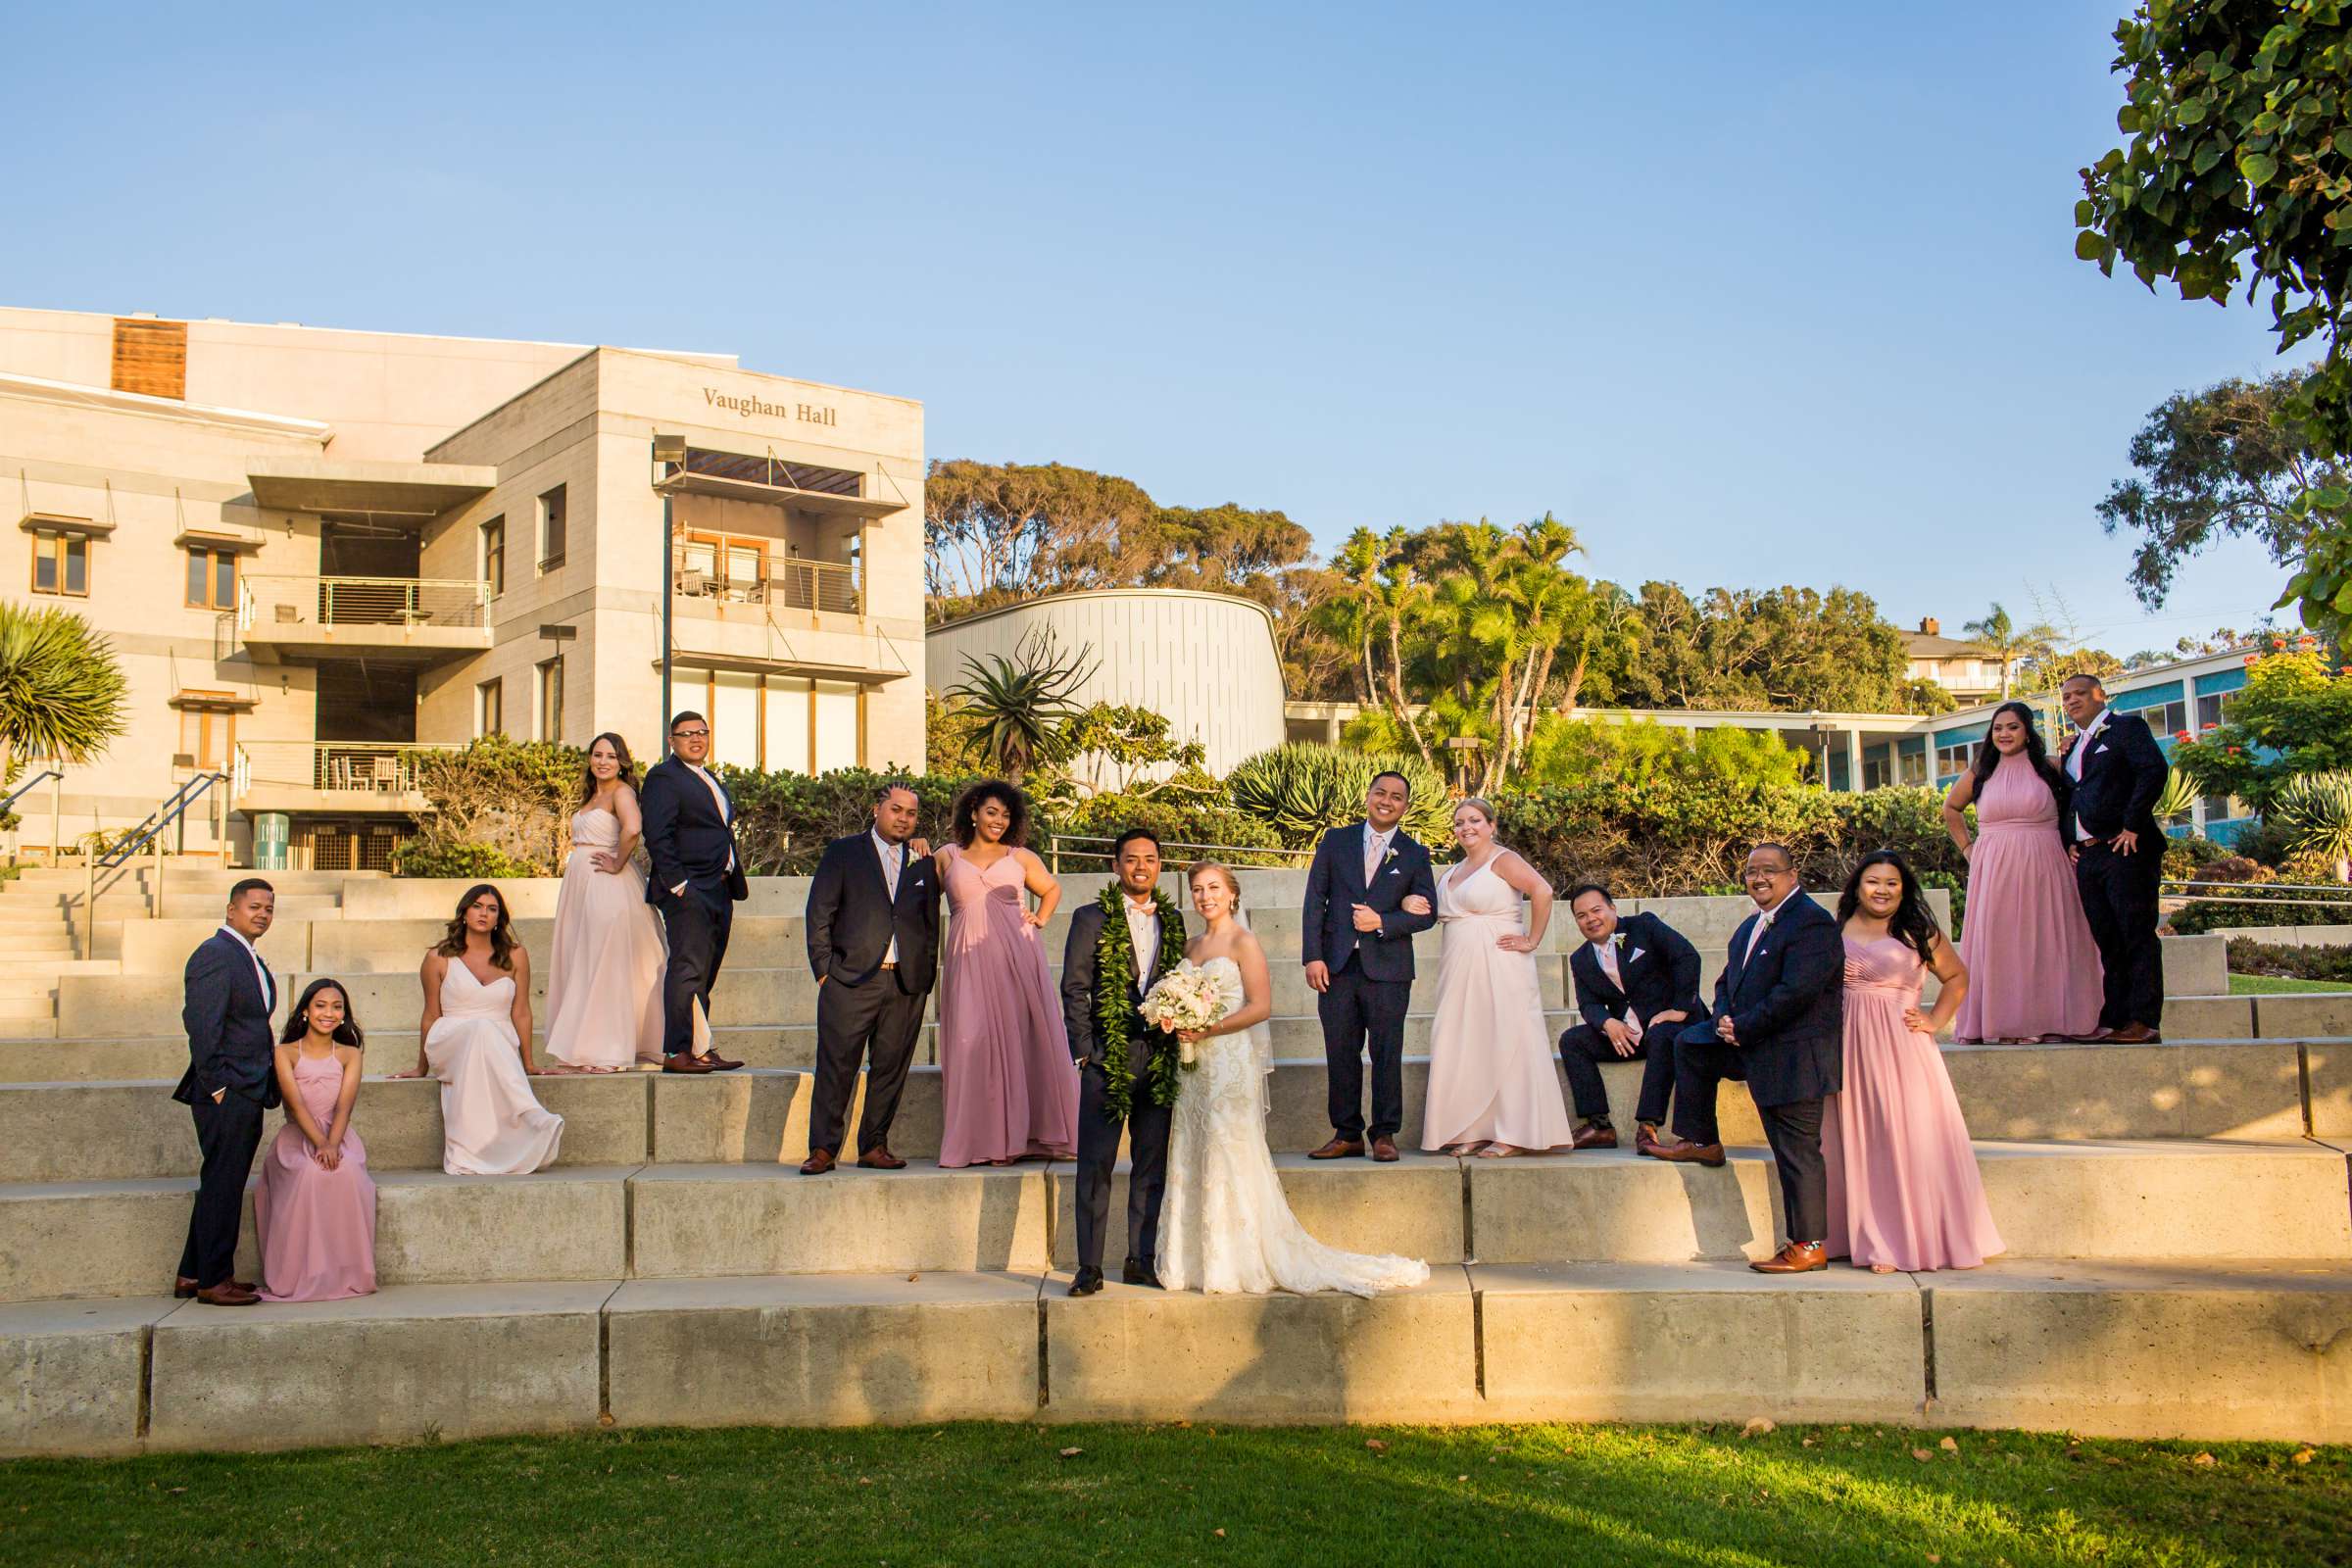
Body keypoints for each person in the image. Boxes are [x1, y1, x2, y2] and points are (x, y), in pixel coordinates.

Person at [1158, 862, 1431, 1296]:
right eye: (1196, 889)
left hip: (1228, 1062)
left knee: (1230, 1149)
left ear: (1232, 894)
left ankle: (1234, 1259)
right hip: (1194, 1067)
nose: (1205, 896)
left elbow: (1260, 1006)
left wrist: (1208, 1028)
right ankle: (1194, 1257)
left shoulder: (1244, 942)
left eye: (1213, 887)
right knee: (1193, 1147)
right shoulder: (1190, 947)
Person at [1651, 843, 1844, 1275]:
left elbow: (1797, 992)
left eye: (1770, 871)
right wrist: (1722, 1017)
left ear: (1793, 875)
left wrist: (1745, 1026)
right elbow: (1726, 983)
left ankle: (1808, 1246)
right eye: (1752, 871)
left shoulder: (1811, 924)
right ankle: (1701, 1140)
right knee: (1690, 1042)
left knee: (1796, 1152)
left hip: (1794, 1055)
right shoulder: (1750, 926)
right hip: (1751, 1042)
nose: (1759, 878)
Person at [1826, 852, 2005, 1273]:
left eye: (1892, 883)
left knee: (1902, 1139)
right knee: (1859, 1141)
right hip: (1848, 1046)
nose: (1882, 890)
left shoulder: (1916, 931)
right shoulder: (1836, 930)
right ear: (1857, 886)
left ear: (1903, 890)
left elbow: (1958, 978)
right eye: (1873, 881)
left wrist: (1935, 1020)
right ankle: (1863, 1235)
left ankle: (1901, 1240)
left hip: (1902, 1048)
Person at [544, 732, 724, 1072]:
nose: (602, 761)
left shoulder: (622, 792)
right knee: (589, 959)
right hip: (582, 884)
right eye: (597, 755)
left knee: (606, 961)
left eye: (610, 756)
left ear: (621, 761)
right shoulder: (592, 795)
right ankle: (591, 1044)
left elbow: (633, 828)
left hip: (607, 885)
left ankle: (607, 1047)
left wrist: (616, 861)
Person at [1062, 829, 1185, 1295]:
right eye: (1131, 859)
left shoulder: (1172, 921)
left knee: (1150, 1165)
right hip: (1104, 1057)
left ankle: (1140, 1259)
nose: (1140, 866)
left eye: (1150, 859)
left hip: (1157, 1059)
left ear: (1159, 865)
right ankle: (1089, 1267)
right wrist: (1084, 1049)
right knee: (1095, 1164)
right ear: (1116, 866)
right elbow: (1074, 987)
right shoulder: (1089, 917)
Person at [1418, 798, 1574, 1157]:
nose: (1466, 827)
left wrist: (1532, 940)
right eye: (1459, 822)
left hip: (1501, 963)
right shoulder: (1453, 870)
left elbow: (1543, 891)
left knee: (1507, 1038)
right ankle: (1472, 1128)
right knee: (1466, 1043)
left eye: (1474, 820)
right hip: (1458, 968)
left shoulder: (1503, 860)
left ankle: (1514, 1133)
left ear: (1491, 825)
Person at [1940, 701, 2104, 1044]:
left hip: (2046, 862)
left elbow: (2084, 801)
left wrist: (2076, 841)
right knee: (2002, 941)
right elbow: (1951, 808)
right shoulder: (1980, 772)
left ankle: (2048, 1019)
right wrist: (1968, 849)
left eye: (2012, 727)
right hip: (1994, 866)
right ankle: (2004, 1022)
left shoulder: (2050, 768)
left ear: (2027, 731)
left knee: (2045, 939)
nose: (2004, 734)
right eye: (1998, 728)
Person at [935, 780, 1077, 1168]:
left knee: (1022, 1038)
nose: (999, 821)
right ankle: (982, 1141)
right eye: (992, 812)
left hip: (1017, 957)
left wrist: (1040, 919)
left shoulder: (1020, 857)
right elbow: (917, 895)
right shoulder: (947, 855)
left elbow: (1051, 889)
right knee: (971, 1041)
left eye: (1006, 814)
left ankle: (1022, 1139)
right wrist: (916, 849)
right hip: (968, 959)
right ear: (974, 812)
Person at [802, 780, 942, 1174]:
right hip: (849, 980)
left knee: (890, 1069)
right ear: (877, 809)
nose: (903, 818)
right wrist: (824, 972)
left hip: (905, 983)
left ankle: (873, 1146)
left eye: (911, 813)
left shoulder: (923, 862)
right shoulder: (844, 853)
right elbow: (819, 914)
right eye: (896, 809)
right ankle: (823, 1149)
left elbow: (930, 924)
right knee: (836, 1067)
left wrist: (924, 977)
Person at [1301, 770, 1439, 1162]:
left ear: (1405, 807)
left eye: (1397, 797)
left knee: (1387, 1051)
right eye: (1381, 792)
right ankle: (1346, 1133)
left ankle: (1384, 1134)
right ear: (1367, 795)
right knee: (1340, 1050)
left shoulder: (1414, 853)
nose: (1387, 800)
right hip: (1338, 965)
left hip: (1389, 969)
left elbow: (1428, 914)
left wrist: (1384, 921)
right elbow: (1316, 900)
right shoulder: (1336, 841)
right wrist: (1313, 956)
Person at [393, 884, 564, 1175]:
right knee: (480, 1029)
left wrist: (529, 1062)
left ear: (499, 918)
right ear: (464, 912)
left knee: (486, 1030)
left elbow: (521, 1012)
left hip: (497, 1038)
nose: (484, 913)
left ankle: (493, 1144)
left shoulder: (516, 956)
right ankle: (530, 1113)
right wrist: (421, 1067)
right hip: (450, 1038)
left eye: (492, 908)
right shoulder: (438, 957)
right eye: (477, 906)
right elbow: (431, 1014)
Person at [171, 878, 280, 1306]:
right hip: (227, 1087)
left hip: (247, 1085)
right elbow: (201, 1023)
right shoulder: (215, 955)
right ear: (231, 909)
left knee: (221, 1181)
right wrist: (217, 1084)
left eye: (269, 909)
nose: (262, 914)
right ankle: (216, 1281)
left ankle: (192, 1273)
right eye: (254, 906)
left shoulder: (244, 955)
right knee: (223, 1184)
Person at [2058, 673, 2171, 1043]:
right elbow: (2073, 794)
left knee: (2135, 934)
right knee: (2107, 939)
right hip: (2089, 858)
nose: (2071, 700)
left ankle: (2144, 1021)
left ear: (2100, 695)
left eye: (2079, 694)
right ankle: (2115, 1019)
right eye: (2066, 696)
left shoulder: (2126, 728)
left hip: (2125, 849)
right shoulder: (2075, 747)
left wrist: (2133, 825)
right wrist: (2069, 839)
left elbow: (2153, 770)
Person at [640, 711, 751, 1074]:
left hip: (720, 887)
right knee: (687, 970)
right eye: (686, 734)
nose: (696, 738)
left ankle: (701, 1046)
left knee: (706, 972)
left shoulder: (709, 778)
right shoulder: (663, 777)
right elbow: (658, 834)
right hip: (689, 889)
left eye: (701, 732)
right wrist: (679, 884)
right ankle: (677, 1051)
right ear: (672, 740)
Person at [1557, 883, 1704, 1152]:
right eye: (1581, 915)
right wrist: (1607, 1023)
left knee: (1662, 1035)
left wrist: (1680, 1008)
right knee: (1572, 1040)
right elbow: (1588, 1003)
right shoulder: (1581, 959)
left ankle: (1648, 1126)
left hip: (1671, 1026)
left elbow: (1686, 956)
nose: (1591, 919)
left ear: (1612, 908)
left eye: (1596, 910)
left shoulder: (1644, 927)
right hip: (1627, 1035)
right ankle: (1600, 1126)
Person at [254, 979, 376, 1302]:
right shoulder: (284, 1052)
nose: (329, 1013)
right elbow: (294, 1104)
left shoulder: (350, 1054)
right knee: (308, 1176)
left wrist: (333, 1144)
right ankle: (301, 1274)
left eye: (337, 1007)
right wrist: (319, 1144)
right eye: (321, 1005)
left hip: (338, 1135)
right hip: (299, 1136)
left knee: (348, 1174)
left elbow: (345, 1106)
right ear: (306, 1011)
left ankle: (345, 1272)